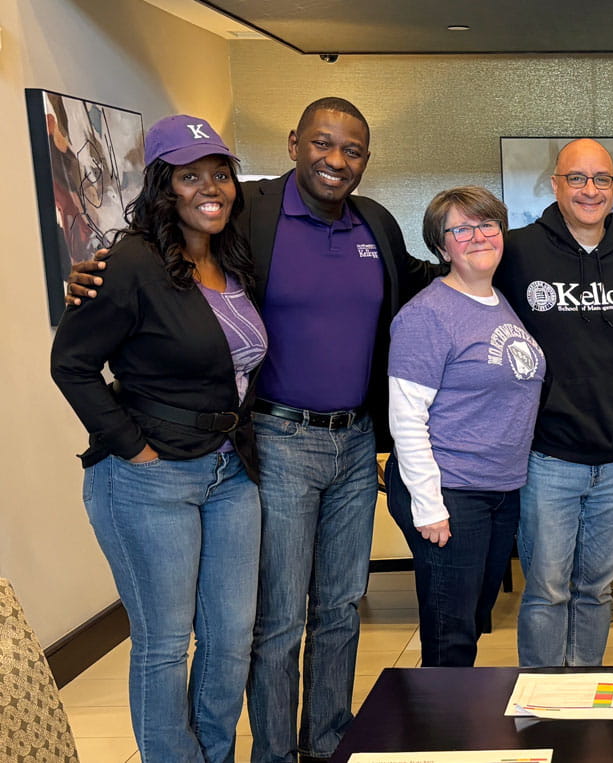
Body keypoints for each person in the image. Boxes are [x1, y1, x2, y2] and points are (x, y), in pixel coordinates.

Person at [68, 97, 434, 763]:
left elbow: (420, 287)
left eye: (352, 150)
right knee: (276, 620)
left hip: (351, 444)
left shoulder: (373, 223)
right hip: (275, 440)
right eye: (323, 143)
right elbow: (156, 262)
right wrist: (92, 271)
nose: (336, 160)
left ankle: (325, 741)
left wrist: (506, 267)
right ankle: (271, 751)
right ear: (294, 143)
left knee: (339, 607)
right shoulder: (253, 212)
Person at [51, 115, 266, 762]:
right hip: (150, 477)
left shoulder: (231, 255)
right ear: (162, 185)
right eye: (190, 174)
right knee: (166, 643)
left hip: (231, 473)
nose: (212, 187)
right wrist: (132, 448)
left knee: (231, 637)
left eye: (221, 173)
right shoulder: (129, 262)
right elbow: (73, 364)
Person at [493, 138, 613, 668]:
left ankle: (584, 700)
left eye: (602, 180)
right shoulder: (517, 252)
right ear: (556, 184)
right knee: (547, 592)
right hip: (549, 459)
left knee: (596, 592)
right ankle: (543, 711)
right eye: (577, 178)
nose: (590, 190)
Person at [385, 186, 544, 667]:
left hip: (500, 489)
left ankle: (452, 723)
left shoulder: (499, 301)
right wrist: (429, 506)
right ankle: (435, 735)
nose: (477, 237)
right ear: (441, 245)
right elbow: (406, 418)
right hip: (451, 490)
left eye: (487, 225)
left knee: (473, 618)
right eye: (461, 229)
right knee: (450, 632)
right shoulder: (426, 315)